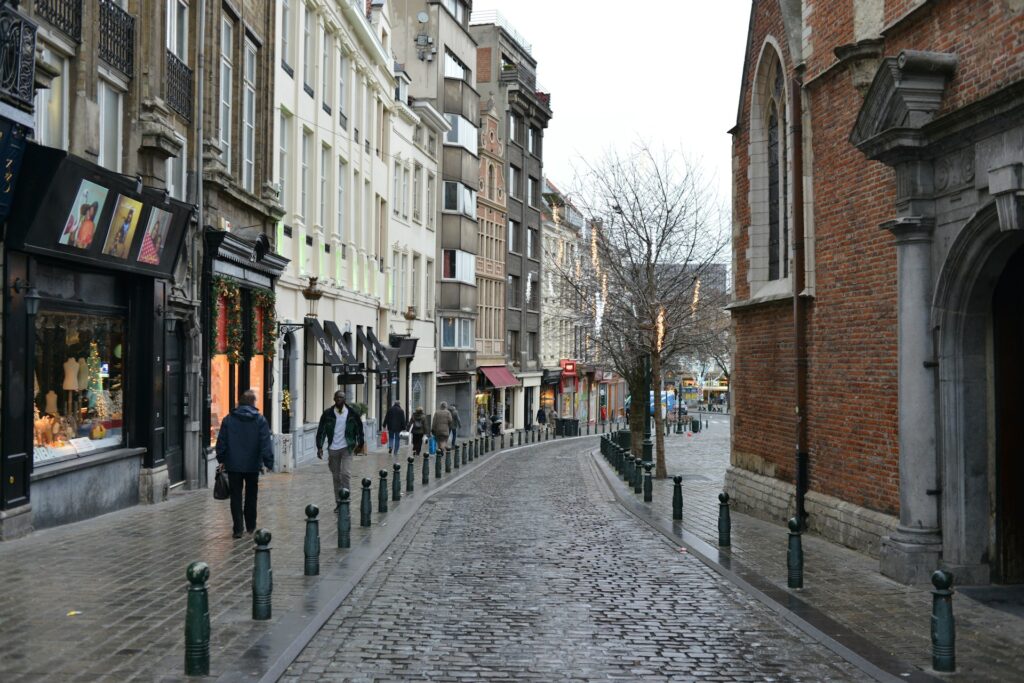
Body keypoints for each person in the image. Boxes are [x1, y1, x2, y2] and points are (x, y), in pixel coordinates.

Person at [215, 390, 274, 539]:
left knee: (235, 496)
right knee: (251, 495)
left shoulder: (228, 419)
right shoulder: (260, 420)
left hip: (233, 465)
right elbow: (265, 443)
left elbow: (221, 442)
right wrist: (269, 462)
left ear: (239, 403)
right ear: (253, 403)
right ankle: (251, 526)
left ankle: (238, 529)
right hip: (253, 465)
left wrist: (221, 459)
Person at [316, 390, 365, 510]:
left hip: (347, 447)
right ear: (334, 399)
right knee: (336, 477)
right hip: (333, 449)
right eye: (337, 397)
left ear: (345, 400)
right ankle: (338, 502)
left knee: (345, 473)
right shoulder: (327, 414)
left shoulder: (352, 413)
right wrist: (320, 447)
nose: (339, 399)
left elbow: (359, 429)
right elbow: (321, 431)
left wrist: (360, 444)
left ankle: (345, 499)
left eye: (341, 398)